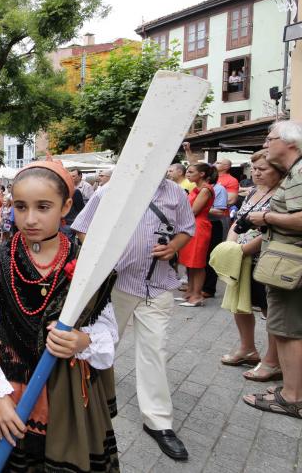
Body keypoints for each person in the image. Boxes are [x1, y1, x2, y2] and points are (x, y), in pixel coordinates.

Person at [0, 161, 119, 472]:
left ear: (66, 206)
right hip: (7, 385)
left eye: (43, 206)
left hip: (66, 394)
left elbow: (106, 328)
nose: (30, 219)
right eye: (21, 207)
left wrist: (82, 340)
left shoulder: (86, 264)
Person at [73, 177, 195, 462]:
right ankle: (85, 405)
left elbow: (186, 229)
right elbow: (82, 229)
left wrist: (174, 246)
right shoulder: (110, 189)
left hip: (158, 285)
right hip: (118, 286)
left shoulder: (176, 191)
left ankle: (159, 422)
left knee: (155, 351)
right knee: (104, 346)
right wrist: (105, 259)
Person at [243, 121, 302, 419]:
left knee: (288, 329)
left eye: (270, 138)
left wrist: (265, 216)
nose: (266, 144)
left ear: (290, 143)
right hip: (288, 261)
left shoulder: (301, 172)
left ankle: (293, 397)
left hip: (291, 264)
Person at [219, 150, 283, 382]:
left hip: (263, 259)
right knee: (240, 305)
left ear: (279, 169)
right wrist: (230, 245)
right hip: (240, 257)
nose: (256, 173)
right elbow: (238, 221)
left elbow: (271, 231)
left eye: (262, 169)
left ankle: (273, 360)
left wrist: (240, 251)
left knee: (270, 310)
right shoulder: (254, 192)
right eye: (254, 169)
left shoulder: (281, 195)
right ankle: (247, 349)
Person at [177, 163, 216, 307]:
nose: (188, 174)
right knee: (190, 262)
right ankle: (191, 292)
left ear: (202, 174)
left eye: (191, 172)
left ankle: (197, 295)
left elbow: (194, 211)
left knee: (197, 263)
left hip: (199, 226)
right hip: (192, 225)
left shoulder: (205, 189)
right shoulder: (198, 188)